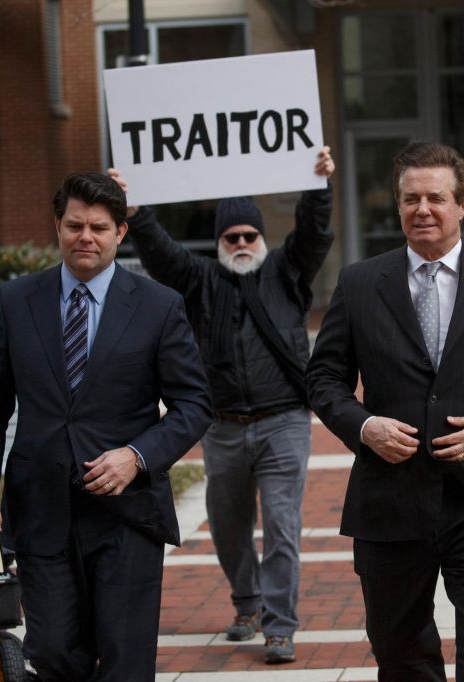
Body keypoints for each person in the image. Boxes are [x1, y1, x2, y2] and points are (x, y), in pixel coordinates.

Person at [306, 141, 464, 682]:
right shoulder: (357, 284)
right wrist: (364, 426)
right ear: (397, 205)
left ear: (463, 204)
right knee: (400, 652)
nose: (422, 209)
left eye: (436, 198)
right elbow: (323, 379)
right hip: (389, 496)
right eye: (410, 198)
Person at [0, 172, 213, 682]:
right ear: (57, 226)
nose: (86, 237)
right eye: (74, 225)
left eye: (99, 227)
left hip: (127, 514)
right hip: (41, 511)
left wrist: (137, 456)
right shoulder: (15, 302)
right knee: (53, 652)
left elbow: (194, 404)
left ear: (121, 231)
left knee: (124, 661)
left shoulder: (157, 305)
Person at [107, 147, 335, 664]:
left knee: (281, 527)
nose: (240, 243)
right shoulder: (201, 280)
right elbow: (161, 253)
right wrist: (134, 210)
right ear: (218, 243)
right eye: (230, 237)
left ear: (261, 239)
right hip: (223, 427)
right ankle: (247, 603)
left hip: (283, 423)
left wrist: (319, 188)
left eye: (248, 235)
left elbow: (314, 233)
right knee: (228, 527)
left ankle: (279, 626)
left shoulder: (287, 272)